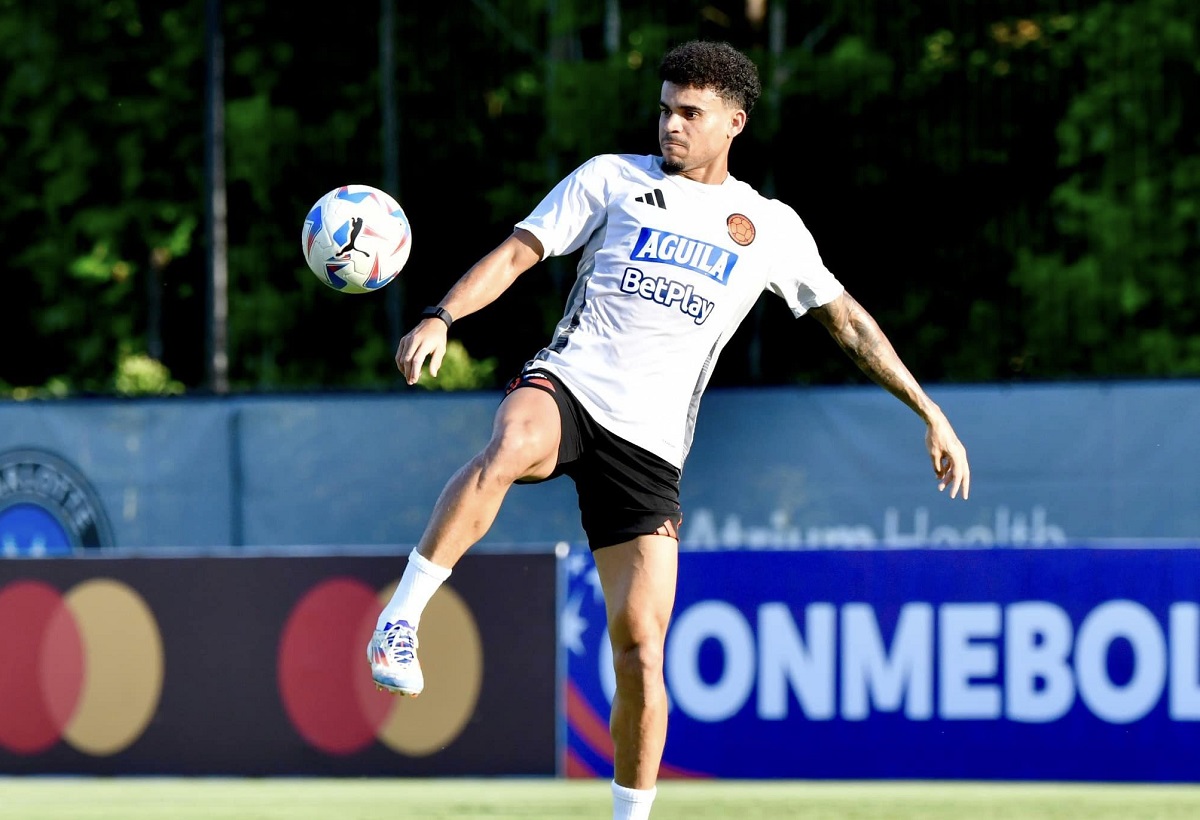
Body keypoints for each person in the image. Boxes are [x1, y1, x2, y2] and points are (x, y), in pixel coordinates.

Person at [367, 39, 970, 820]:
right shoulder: (610, 180)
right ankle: (402, 619)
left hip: (651, 447)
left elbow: (848, 325)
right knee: (513, 443)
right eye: (665, 109)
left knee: (643, 655)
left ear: (733, 123)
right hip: (572, 385)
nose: (671, 126)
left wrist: (930, 409)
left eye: (690, 113)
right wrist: (443, 314)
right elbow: (520, 254)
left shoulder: (769, 225)